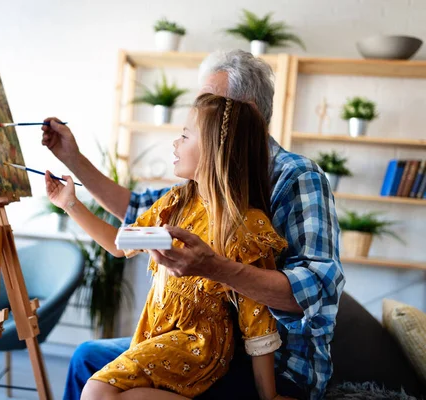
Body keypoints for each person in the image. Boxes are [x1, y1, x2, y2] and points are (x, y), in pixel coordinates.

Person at [42, 50, 345, 400]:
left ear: (239, 115)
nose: (183, 130)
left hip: (273, 365)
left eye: (207, 103)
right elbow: (134, 216)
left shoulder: (295, 179)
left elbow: (318, 291)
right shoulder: (189, 194)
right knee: (86, 359)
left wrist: (216, 268)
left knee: (99, 385)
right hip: (185, 340)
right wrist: (72, 162)